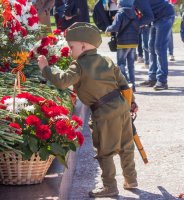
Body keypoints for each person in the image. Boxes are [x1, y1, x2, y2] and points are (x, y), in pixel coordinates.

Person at [38, 22, 138, 198]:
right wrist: (132, 103)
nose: (69, 51)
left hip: (104, 113)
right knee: (126, 145)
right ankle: (131, 179)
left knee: (105, 151)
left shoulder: (79, 65)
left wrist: (46, 68)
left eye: (72, 47)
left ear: (83, 45)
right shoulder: (106, 60)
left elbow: (62, 81)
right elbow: (123, 83)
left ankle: (110, 187)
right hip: (121, 105)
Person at [134, 0, 175, 90]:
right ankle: (152, 78)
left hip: (165, 16)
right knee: (151, 47)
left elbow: (148, 17)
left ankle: (162, 81)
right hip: (155, 18)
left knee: (159, 47)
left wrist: (135, 24)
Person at [106, 0, 139, 92]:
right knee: (131, 65)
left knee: (121, 63)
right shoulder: (134, 14)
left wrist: (108, 28)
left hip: (123, 42)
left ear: (121, 4)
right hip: (133, 43)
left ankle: (127, 84)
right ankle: (133, 85)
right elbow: (138, 27)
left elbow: (115, 27)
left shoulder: (120, 14)